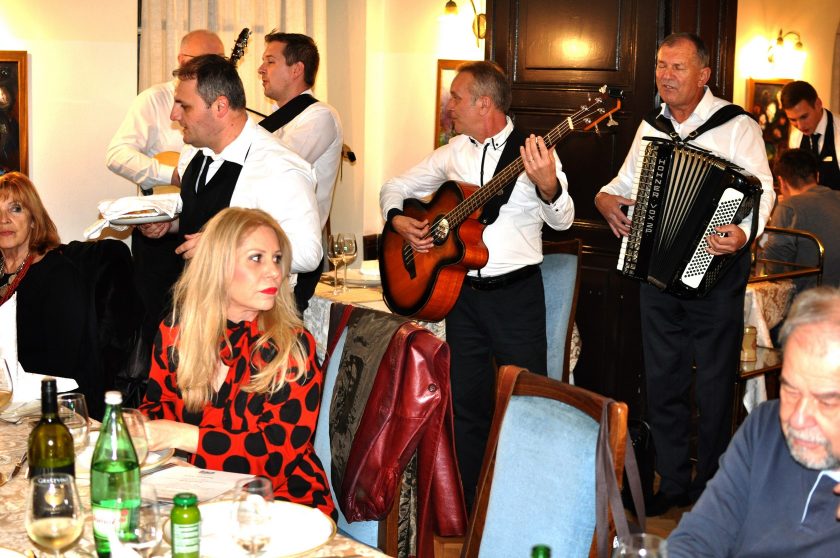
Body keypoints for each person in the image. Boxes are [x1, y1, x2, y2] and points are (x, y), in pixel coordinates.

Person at [379, 60, 574, 508]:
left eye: (457, 97)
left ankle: (525, 504)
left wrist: (549, 187)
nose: (449, 105)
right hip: (462, 293)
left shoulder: (535, 151)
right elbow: (396, 185)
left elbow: (562, 220)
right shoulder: (453, 151)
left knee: (526, 402)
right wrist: (398, 219)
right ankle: (469, 507)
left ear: (484, 103)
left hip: (516, 297)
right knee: (466, 404)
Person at [595, 32, 775, 515]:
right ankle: (673, 482)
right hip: (658, 275)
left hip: (716, 275)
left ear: (703, 75)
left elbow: (764, 189)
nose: (665, 75)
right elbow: (619, 184)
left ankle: (711, 489)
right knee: (663, 380)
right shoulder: (650, 126)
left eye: (677, 67)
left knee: (714, 384)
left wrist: (743, 233)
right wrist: (605, 200)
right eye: (661, 65)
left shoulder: (737, 126)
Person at [139, 207, 336, 518]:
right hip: (202, 494)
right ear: (217, 266)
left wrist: (180, 436)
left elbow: (272, 461)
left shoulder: (292, 346)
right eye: (256, 258)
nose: (274, 272)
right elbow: (157, 405)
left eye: (276, 259)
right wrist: (140, 426)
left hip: (284, 507)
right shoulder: (177, 332)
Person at [667, 286, 840, 556]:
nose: (798, 418)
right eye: (790, 390)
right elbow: (699, 536)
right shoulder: (765, 429)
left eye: (827, 400)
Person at [138, 54, 322, 290]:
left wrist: (226, 248)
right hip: (199, 301)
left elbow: (308, 254)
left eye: (184, 106)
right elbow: (205, 216)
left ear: (220, 107)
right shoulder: (193, 152)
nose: (174, 115)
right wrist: (171, 223)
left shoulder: (279, 166)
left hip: (252, 309)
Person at [105, 30, 225, 353]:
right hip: (158, 231)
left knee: (200, 324)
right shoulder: (153, 100)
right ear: (181, 61)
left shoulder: (220, 106)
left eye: (218, 61)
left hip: (203, 230)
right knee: (157, 324)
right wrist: (169, 173)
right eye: (202, 61)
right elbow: (116, 154)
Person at [257, 31, 343, 312]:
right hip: (262, 251)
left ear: (296, 70)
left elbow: (274, 171)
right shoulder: (272, 120)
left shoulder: (319, 116)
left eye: (270, 61)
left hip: (294, 256)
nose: (260, 69)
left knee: (280, 335)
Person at [0, 172, 101, 411]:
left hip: (54, 404)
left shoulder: (59, 274)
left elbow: (62, 362)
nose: (3, 219)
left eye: (15, 209)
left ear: (34, 220)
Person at [760, 148, 840, 291]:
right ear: (817, 175)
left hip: (811, 297)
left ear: (781, 181)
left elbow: (775, 261)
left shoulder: (789, 207)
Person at [782, 80, 840, 190]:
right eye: (793, 120)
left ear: (818, 104)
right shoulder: (795, 137)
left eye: (804, 117)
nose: (800, 126)